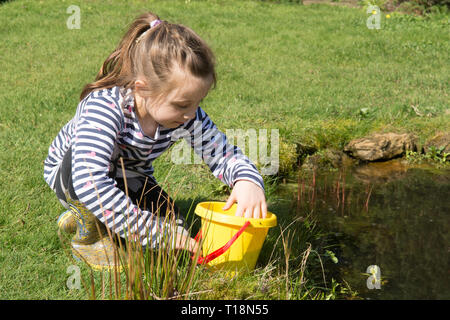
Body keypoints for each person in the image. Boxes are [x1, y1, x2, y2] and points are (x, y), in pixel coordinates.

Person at [44, 12, 267, 255]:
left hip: (130, 178)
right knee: (137, 228)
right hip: (74, 178)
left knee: (177, 228)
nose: (192, 114)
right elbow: (90, 181)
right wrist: (153, 232)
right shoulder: (105, 108)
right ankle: (88, 232)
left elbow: (222, 154)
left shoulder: (185, 115)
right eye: (182, 104)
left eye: (199, 101)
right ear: (143, 88)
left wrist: (247, 180)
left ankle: (92, 219)